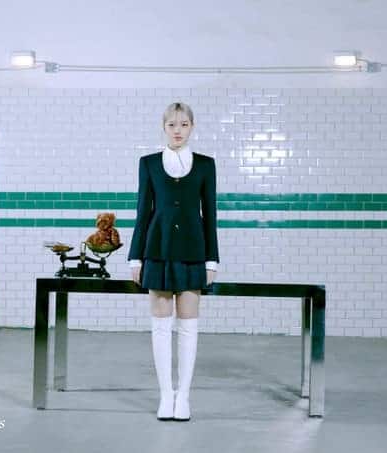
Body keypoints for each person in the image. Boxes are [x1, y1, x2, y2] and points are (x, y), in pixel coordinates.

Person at [128, 102, 219, 422]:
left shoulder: (206, 165)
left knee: (189, 326)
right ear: (163, 127)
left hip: (194, 252)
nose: (177, 130)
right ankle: (166, 396)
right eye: (171, 125)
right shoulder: (149, 163)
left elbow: (210, 214)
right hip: (157, 250)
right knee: (161, 326)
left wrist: (212, 260)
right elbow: (143, 212)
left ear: (192, 126)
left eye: (183, 124)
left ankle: (184, 397)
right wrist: (135, 256)